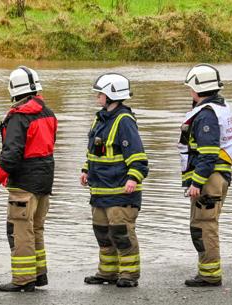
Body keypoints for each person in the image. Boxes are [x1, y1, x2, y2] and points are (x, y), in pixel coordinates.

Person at [0, 67, 57, 292]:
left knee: (21, 230)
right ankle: (39, 275)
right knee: (36, 228)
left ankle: (23, 279)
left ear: (14, 89)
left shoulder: (19, 117)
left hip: (24, 182)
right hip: (44, 180)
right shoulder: (48, 113)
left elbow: (11, 153)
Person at [80, 73, 149, 288]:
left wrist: (133, 178)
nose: (97, 97)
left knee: (122, 234)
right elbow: (93, 151)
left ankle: (128, 274)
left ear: (111, 95)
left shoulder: (124, 121)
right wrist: (85, 170)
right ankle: (107, 273)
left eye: (100, 93)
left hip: (120, 192)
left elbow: (138, 157)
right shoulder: (100, 118)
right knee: (102, 232)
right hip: (100, 190)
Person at [179, 64, 232, 287]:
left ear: (197, 88)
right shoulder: (219, 108)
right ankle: (207, 271)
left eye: (190, 88)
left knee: (204, 225)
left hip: (210, 177)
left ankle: (210, 275)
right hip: (217, 175)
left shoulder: (207, 115)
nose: (189, 92)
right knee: (204, 223)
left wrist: (196, 181)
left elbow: (208, 152)